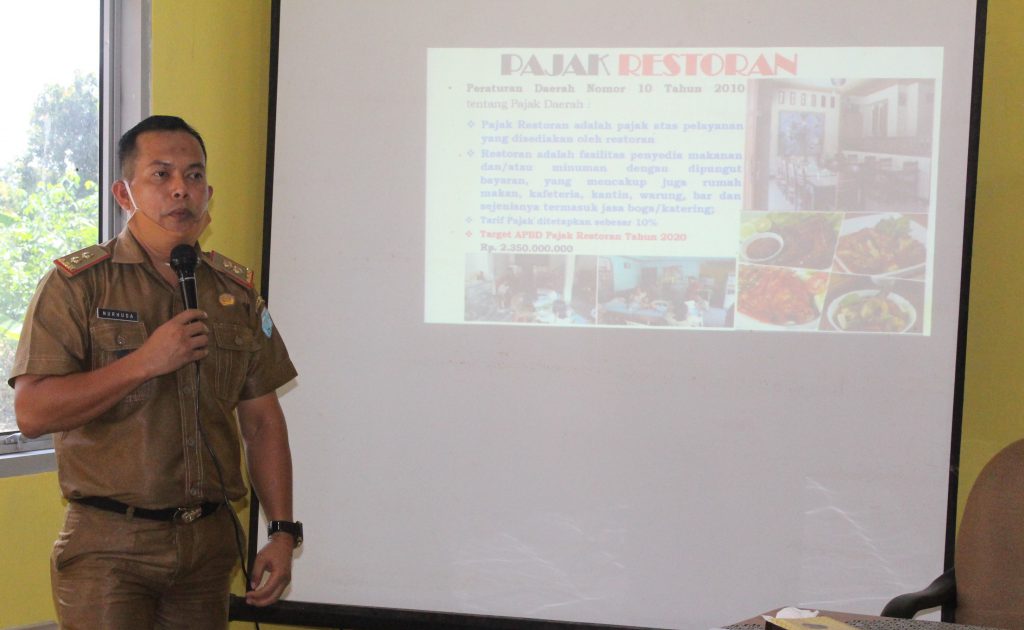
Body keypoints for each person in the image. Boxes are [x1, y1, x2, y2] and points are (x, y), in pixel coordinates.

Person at [8, 115, 301, 629]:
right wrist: (144, 363)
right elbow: (32, 413)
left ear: (208, 194)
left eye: (193, 176)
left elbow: (261, 421)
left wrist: (281, 531)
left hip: (208, 546)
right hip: (110, 548)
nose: (180, 189)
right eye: (161, 175)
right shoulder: (77, 286)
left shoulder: (234, 293)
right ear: (124, 193)